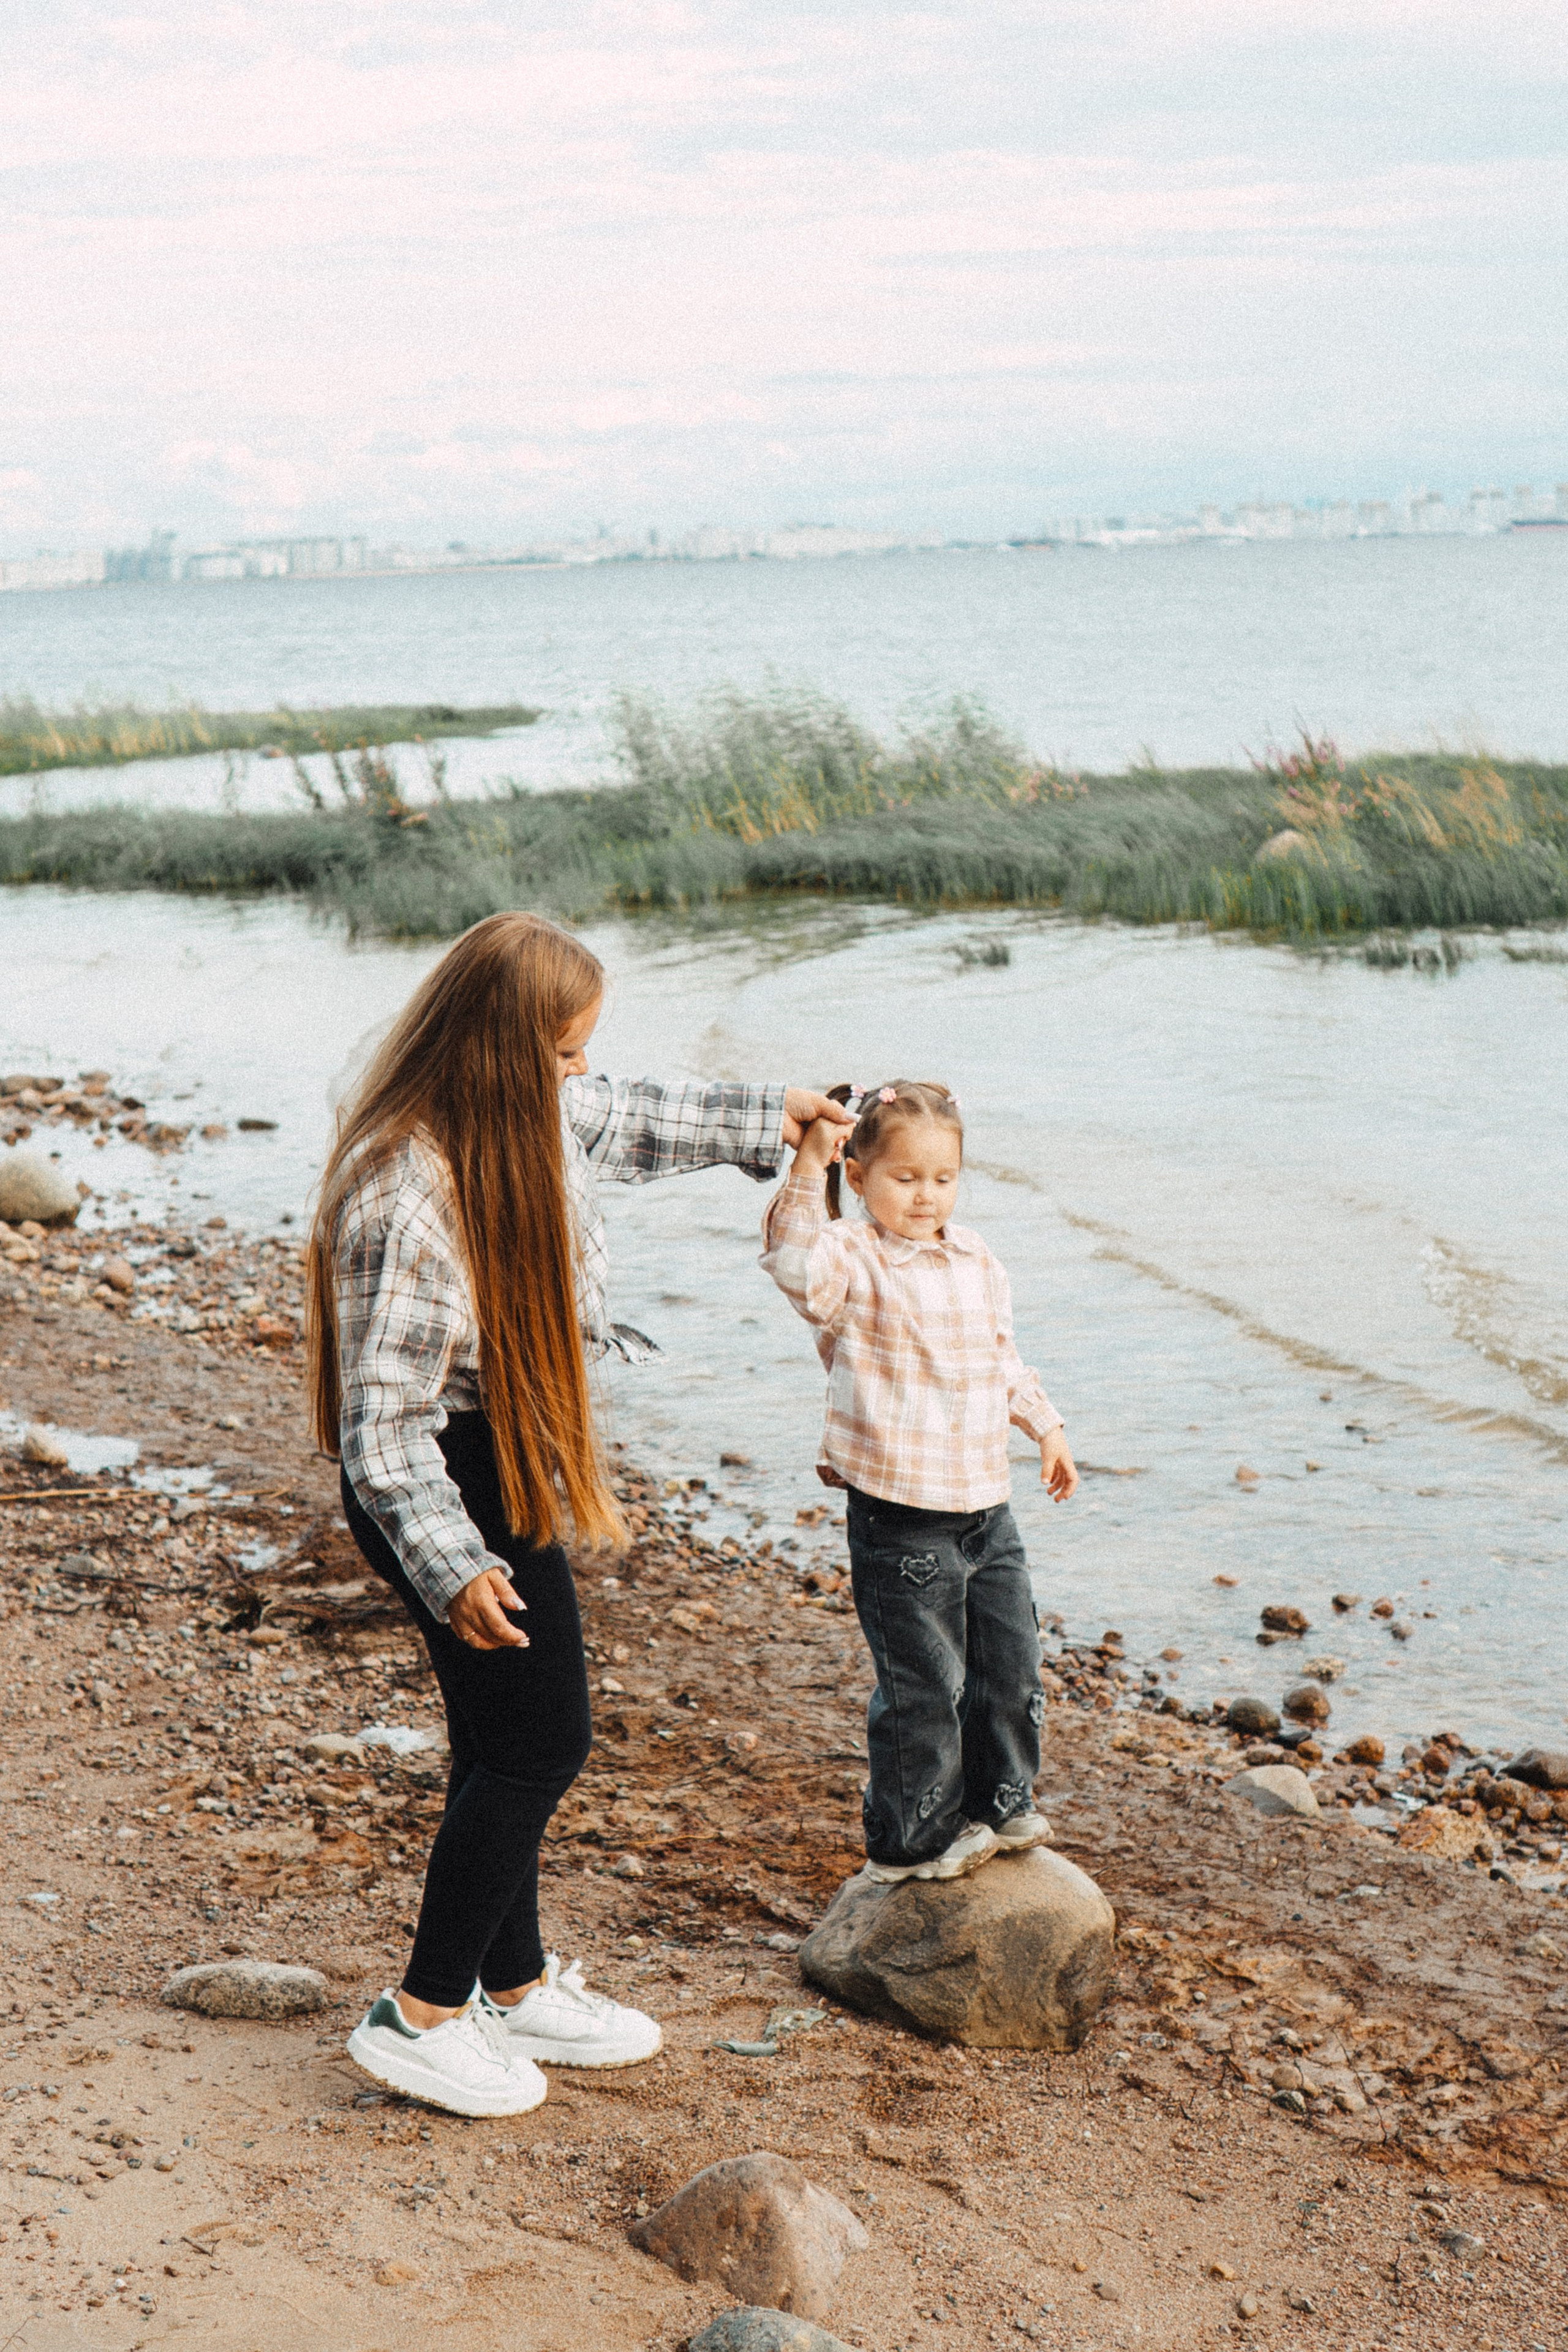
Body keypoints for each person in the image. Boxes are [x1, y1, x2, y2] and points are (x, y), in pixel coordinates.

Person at [305, 911, 851, 2117]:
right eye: (563, 1053)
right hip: (440, 1480)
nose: (580, 1075)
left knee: (498, 1737)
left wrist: (778, 1117)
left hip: (503, 1461)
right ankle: (423, 2011)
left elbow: (631, 1115)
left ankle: (511, 1977)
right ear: (499, 1051)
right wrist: (452, 1565)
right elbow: (381, 1426)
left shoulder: (513, 1111)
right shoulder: (407, 1189)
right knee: (540, 1742)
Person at [760, 1079, 1077, 1884]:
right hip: (901, 1516)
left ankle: (1000, 1805)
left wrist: (1046, 1426)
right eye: (906, 1178)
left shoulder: (977, 1258)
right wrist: (807, 1165)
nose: (927, 1196)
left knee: (1009, 1667)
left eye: (944, 1178)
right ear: (859, 1176)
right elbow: (793, 1266)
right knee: (926, 1687)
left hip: (985, 1508)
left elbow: (1001, 1360)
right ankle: (910, 1843)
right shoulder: (849, 1257)